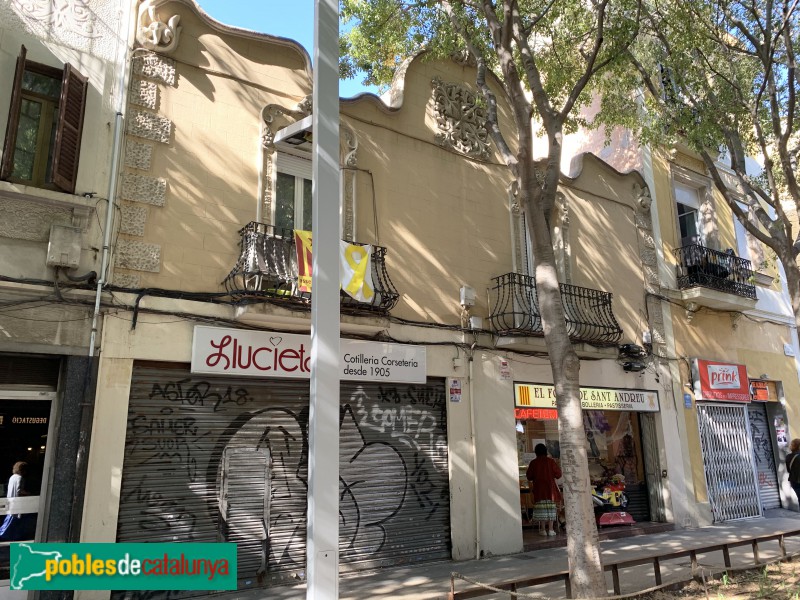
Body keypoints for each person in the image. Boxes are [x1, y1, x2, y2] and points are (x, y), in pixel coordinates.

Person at [526, 443, 562, 537]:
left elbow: (529, 476)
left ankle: (543, 530)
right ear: (546, 451)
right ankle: (551, 529)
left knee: (541, 509)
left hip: (539, 490)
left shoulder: (533, 463)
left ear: (536, 452)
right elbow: (558, 474)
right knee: (551, 509)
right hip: (550, 490)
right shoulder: (551, 461)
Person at [0, 462, 31, 541]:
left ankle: (11, 536)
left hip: (10, 501)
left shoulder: (12, 477)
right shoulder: (20, 478)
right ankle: (3, 535)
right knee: (11, 521)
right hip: (16, 503)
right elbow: (19, 491)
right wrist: (28, 493)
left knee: (9, 519)